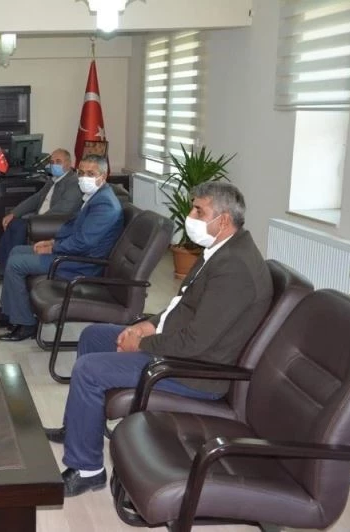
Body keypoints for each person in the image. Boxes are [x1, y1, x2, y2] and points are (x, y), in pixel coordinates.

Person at [45, 182, 273, 497]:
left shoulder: (235, 268)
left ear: (222, 220)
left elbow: (195, 342)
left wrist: (140, 344)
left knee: (89, 370)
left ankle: (87, 470)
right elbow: (182, 306)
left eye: (199, 210)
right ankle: (79, 429)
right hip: (179, 346)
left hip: (194, 369)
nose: (190, 215)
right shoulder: (221, 249)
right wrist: (148, 326)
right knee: (94, 336)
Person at [0, 154, 123, 342]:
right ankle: (9, 315)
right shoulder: (94, 196)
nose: (84, 177)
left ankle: (26, 324)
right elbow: (72, 227)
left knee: (16, 263)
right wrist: (52, 242)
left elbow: (83, 242)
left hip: (82, 263)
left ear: (103, 176)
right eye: (81, 173)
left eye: (90, 173)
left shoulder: (105, 204)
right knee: (16, 251)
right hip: (74, 253)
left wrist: (52, 249)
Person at [0, 148, 84, 280]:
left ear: (69, 163)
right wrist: (14, 213)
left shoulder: (73, 183)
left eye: (58, 161)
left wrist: (35, 220)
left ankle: (5, 270)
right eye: (52, 162)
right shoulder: (53, 179)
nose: (54, 165)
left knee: (19, 226)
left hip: (51, 222)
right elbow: (36, 198)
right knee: (13, 221)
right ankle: (3, 264)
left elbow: (62, 210)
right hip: (39, 217)